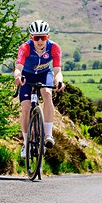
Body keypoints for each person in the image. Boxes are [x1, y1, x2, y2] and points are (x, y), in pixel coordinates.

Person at [14, 20, 65, 157]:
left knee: (47, 94)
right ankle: (26, 143)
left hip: (44, 74)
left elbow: (57, 70)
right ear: (32, 38)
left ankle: (48, 135)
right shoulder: (25, 48)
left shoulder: (54, 47)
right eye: (36, 38)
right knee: (25, 108)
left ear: (48, 36)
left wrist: (59, 81)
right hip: (27, 76)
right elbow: (18, 67)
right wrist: (18, 76)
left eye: (43, 37)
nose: (40, 41)